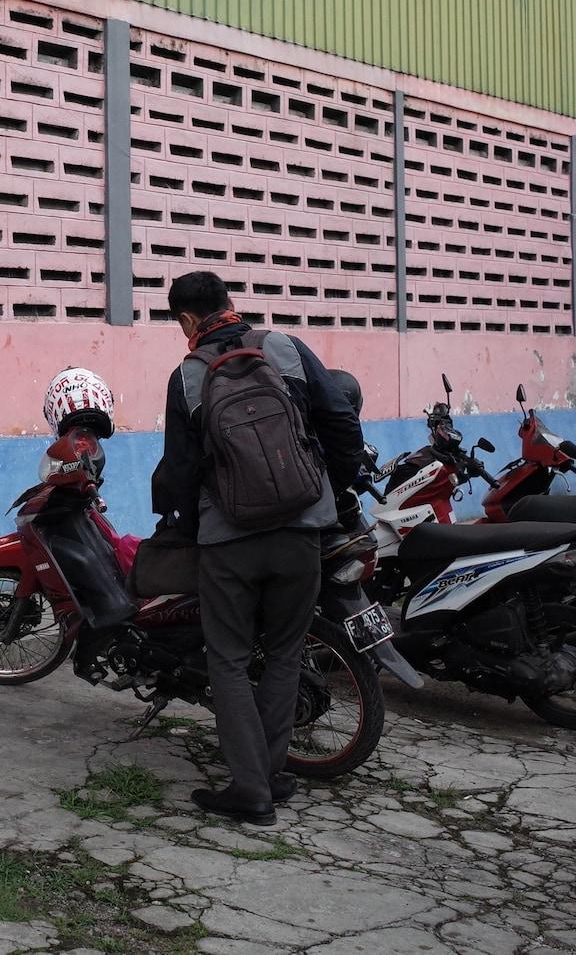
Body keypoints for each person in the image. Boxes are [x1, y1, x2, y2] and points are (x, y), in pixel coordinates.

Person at [152, 272, 365, 826]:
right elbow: (341, 419)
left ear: (187, 321)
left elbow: (178, 472)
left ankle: (250, 789)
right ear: (231, 303)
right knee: (286, 654)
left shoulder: (190, 376)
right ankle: (271, 774)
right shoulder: (285, 349)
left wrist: (172, 525)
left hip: (230, 539)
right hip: (302, 530)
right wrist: (330, 490)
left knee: (228, 658)